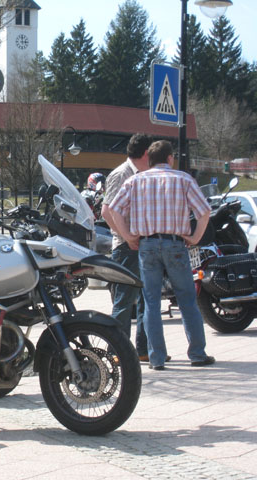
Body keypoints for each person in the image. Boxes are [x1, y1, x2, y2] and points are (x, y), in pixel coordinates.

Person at [108, 140, 215, 370]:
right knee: (187, 299)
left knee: (151, 302)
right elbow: (205, 212)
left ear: (150, 159)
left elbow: (113, 210)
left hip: (146, 246)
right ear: (169, 158)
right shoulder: (183, 179)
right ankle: (197, 354)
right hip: (176, 244)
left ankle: (156, 358)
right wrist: (195, 238)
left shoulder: (135, 181)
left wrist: (128, 236)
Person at [101, 134, 152, 361]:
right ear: (146, 153)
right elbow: (106, 211)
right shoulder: (121, 173)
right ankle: (117, 353)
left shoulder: (142, 173)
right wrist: (127, 237)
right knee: (123, 301)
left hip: (140, 244)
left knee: (146, 300)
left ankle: (142, 350)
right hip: (125, 246)